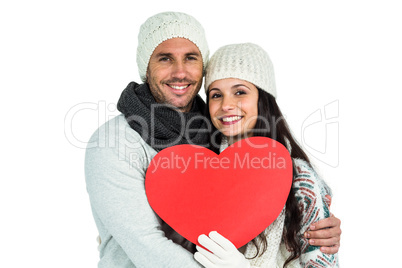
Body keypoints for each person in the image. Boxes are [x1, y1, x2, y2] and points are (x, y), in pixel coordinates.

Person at [85, 12, 341, 267]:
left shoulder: (214, 140)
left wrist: (316, 223)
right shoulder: (114, 142)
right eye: (165, 58)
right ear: (146, 67)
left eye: (191, 58)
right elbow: (146, 245)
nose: (180, 72)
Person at [193, 43, 339, 267]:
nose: (226, 105)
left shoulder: (299, 178)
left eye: (240, 92)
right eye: (215, 95)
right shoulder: (203, 166)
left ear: (263, 99)